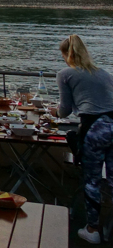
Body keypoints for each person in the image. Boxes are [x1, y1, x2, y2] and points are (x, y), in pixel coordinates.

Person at [56, 35, 113, 244]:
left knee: (92, 181)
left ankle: (92, 229)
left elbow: (64, 111)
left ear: (66, 54)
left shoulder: (65, 74)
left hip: (95, 129)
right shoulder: (104, 73)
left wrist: (54, 112)